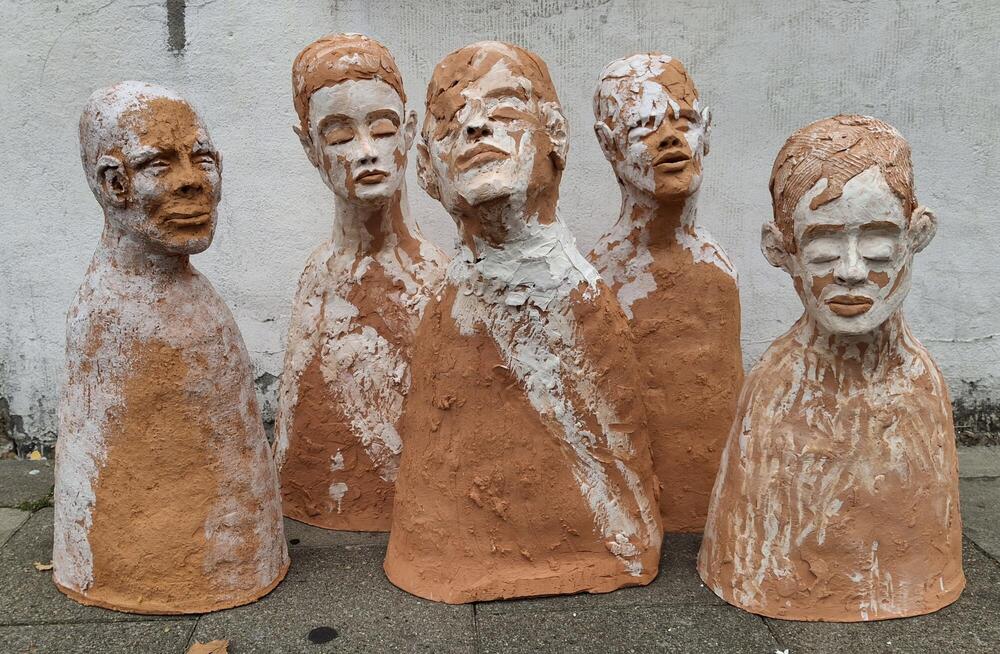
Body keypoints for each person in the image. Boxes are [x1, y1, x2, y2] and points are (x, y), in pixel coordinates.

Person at [384, 41, 662, 604]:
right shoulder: (444, 308)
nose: (475, 127)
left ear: (554, 135)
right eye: (450, 123)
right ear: (428, 171)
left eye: (505, 108)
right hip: (449, 555)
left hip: (590, 548)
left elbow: (619, 477)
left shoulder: (583, 302)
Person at [698, 115, 964, 621]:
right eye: (822, 247)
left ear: (917, 234)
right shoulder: (776, 391)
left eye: (878, 243)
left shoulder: (922, 388)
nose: (851, 271)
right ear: (781, 250)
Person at [53, 81, 288, 614]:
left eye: (203, 160)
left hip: (234, 550)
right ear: (113, 182)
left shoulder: (195, 300)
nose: (192, 182)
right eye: (159, 165)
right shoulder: (110, 314)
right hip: (140, 564)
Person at [275, 34, 448, 531]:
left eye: (383, 129)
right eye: (339, 137)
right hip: (315, 505)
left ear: (409, 132)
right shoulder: (317, 279)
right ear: (309, 147)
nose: (367, 152)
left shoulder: (436, 279)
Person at [590, 53, 743, 531]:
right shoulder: (601, 278)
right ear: (609, 143)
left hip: (714, 513)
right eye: (644, 126)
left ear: (707, 132)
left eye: (685, 120)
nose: (671, 138)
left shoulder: (717, 272)